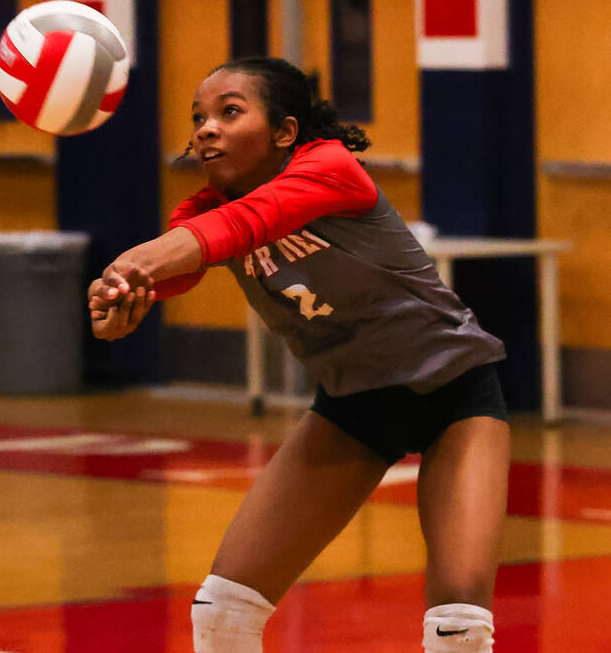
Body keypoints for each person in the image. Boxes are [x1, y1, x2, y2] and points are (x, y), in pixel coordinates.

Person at [87, 57, 509, 653]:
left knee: (458, 625)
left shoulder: (330, 169)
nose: (207, 128)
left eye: (229, 112)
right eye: (198, 118)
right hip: (352, 407)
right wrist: (119, 302)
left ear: (285, 132)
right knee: (221, 611)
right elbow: (176, 268)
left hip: (454, 393)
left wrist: (132, 266)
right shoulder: (205, 212)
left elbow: (233, 230)